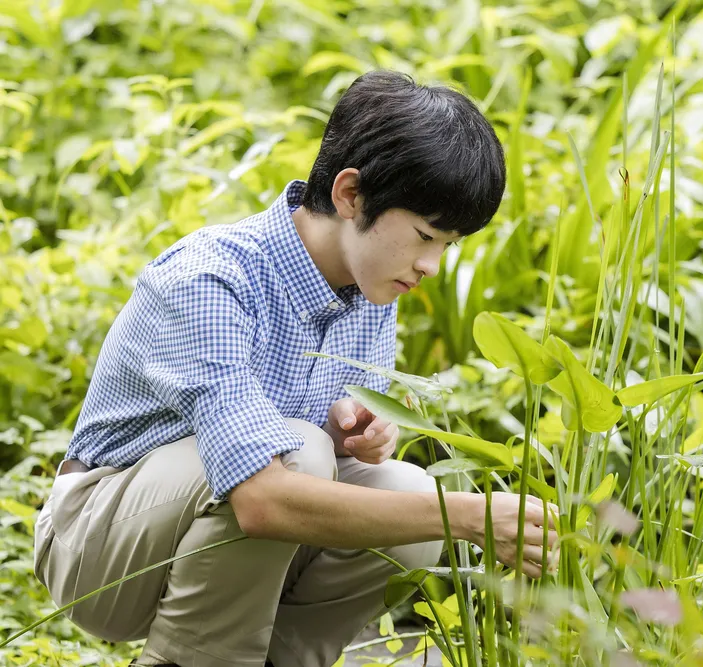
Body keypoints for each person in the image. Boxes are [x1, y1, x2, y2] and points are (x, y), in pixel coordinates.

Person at [32, 70, 559, 667]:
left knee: (407, 492)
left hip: (226, 546)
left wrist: (355, 438)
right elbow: (261, 500)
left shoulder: (371, 288)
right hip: (97, 548)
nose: (432, 264)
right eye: (424, 235)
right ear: (350, 194)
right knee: (302, 454)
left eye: (449, 244)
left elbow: (320, 464)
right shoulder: (210, 279)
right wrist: (467, 515)